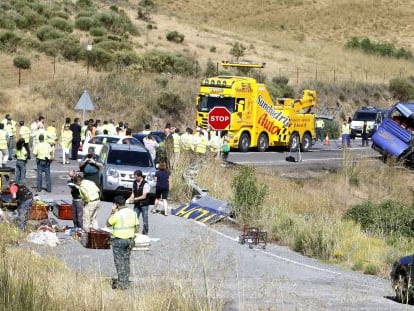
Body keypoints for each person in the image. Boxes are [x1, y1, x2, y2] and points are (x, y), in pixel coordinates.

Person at [107, 195, 138, 290]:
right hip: (130, 240)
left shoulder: (117, 214)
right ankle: (126, 281)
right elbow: (137, 227)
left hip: (119, 240)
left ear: (116, 205)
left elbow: (108, 224)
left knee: (119, 262)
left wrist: (112, 212)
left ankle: (121, 283)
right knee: (126, 261)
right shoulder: (132, 212)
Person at [127, 170, 150, 235]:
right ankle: (133, 233)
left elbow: (144, 196)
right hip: (137, 204)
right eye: (134, 177)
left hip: (144, 204)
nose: (135, 178)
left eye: (136, 177)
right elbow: (133, 193)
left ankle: (145, 234)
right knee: (134, 218)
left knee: (145, 220)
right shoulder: (134, 183)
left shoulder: (146, 184)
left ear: (140, 176)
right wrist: (130, 199)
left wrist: (134, 199)